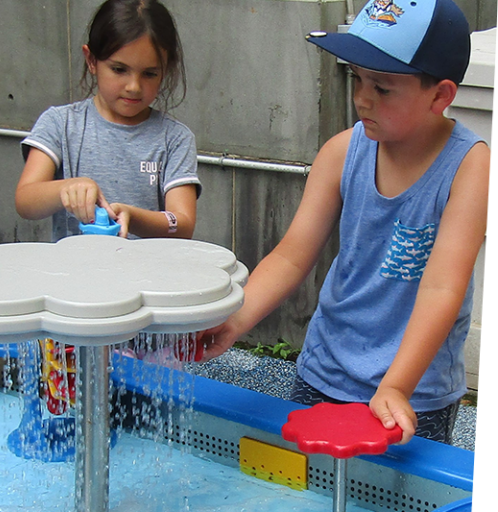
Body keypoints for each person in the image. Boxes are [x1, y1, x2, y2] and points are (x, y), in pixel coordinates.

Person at [200, 0, 490, 445]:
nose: (361, 98)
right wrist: (235, 321)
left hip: (414, 390)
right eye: (357, 78)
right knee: (307, 491)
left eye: (383, 87)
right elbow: (292, 256)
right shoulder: (341, 151)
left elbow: (442, 287)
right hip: (324, 370)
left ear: (441, 95)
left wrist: (396, 385)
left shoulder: (469, 167)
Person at [15, 0, 201, 241]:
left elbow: (182, 223)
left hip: (147, 276)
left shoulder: (174, 138)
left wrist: (133, 217)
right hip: (74, 274)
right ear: (91, 60)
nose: (134, 87)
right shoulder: (60, 124)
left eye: (149, 73)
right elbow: (25, 200)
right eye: (119, 69)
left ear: (165, 70)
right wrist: (66, 188)